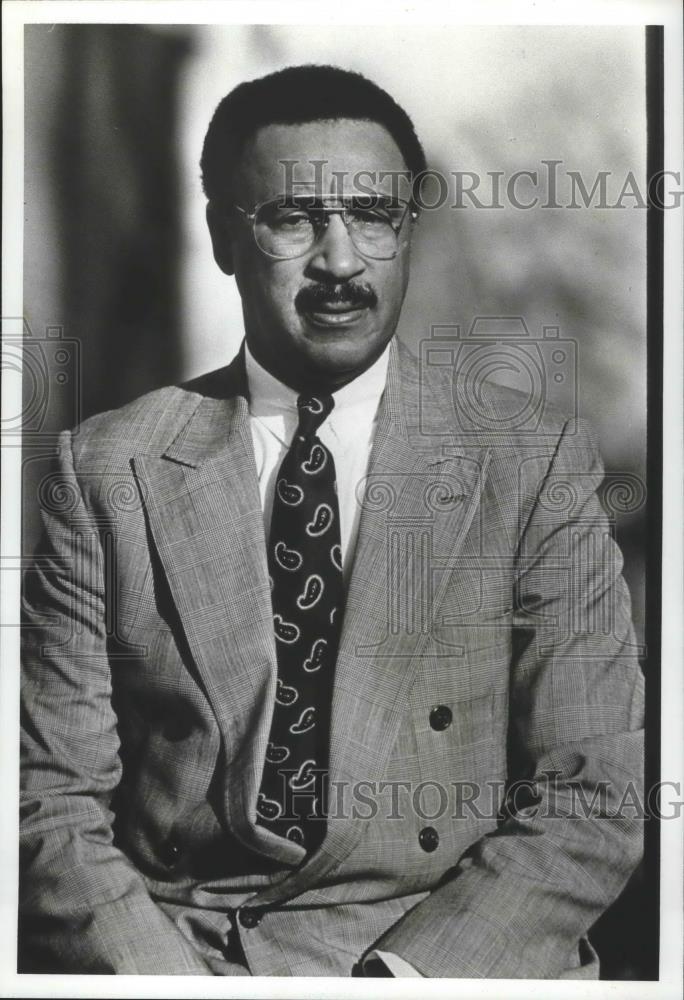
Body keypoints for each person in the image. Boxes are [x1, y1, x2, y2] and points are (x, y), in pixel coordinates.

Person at [20, 64, 644, 978]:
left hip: (440, 960)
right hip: (181, 956)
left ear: (408, 235)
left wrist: (406, 982)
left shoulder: (531, 468)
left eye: (373, 216)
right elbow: (50, 806)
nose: (340, 261)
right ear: (222, 238)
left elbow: (592, 798)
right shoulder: (107, 468)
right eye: (293, 217)